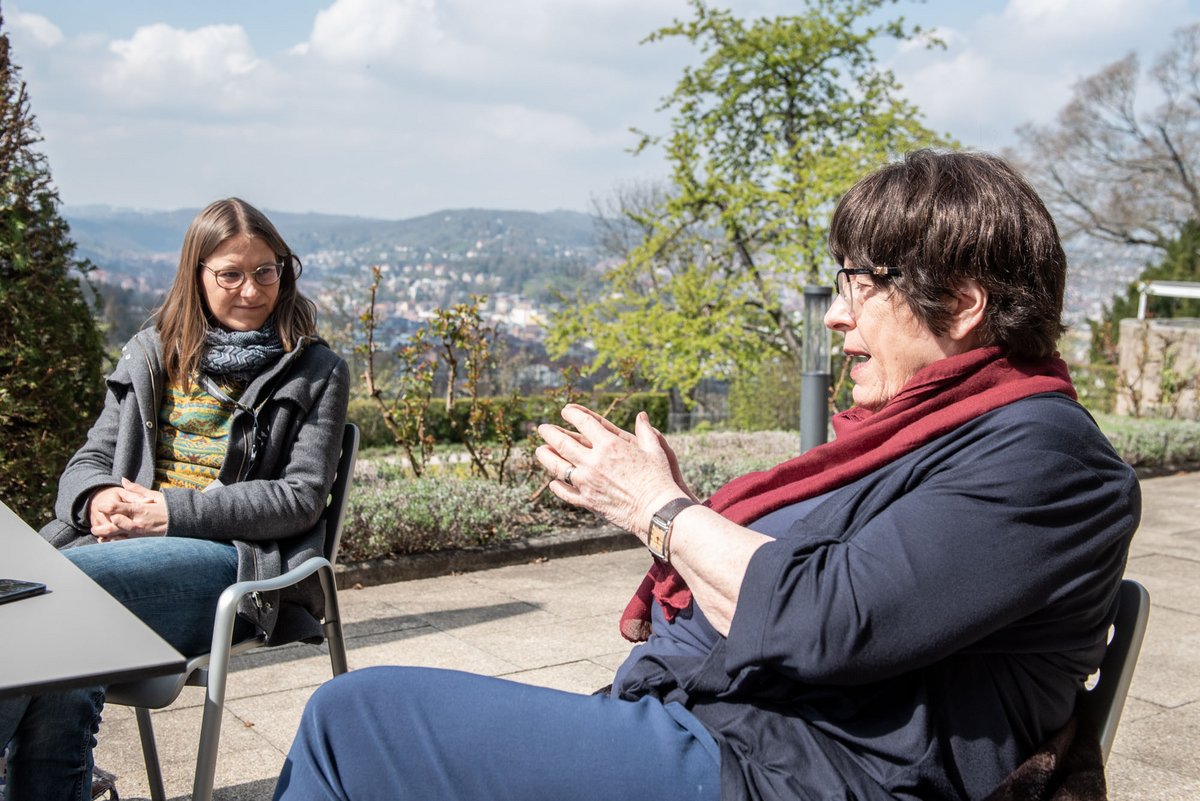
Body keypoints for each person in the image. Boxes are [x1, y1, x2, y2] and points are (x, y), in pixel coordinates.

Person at [271, 150, 1139, 801]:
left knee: (354, 719)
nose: (837, 315)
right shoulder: (945, 431)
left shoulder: (1048, 461)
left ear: (961, 301)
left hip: (804, 771)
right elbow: (819, 577)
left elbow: (824, 617)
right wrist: (683, 522)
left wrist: (660, 508)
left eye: (859, 284)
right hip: (750, 732)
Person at [0, 198, 351, 801]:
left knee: (62, 596)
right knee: (40, 615)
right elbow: (86, 461)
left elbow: (299, 498)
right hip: (112, 553)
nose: (252, 290)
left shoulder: (316, 370)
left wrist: (169, 511)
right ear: (197, 275)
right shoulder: (152, 352)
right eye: (231, 274)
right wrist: (97, 498)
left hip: (232, 560)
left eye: (266, 271)